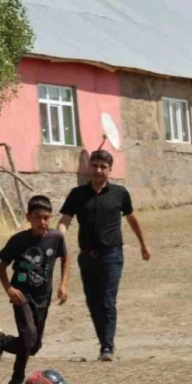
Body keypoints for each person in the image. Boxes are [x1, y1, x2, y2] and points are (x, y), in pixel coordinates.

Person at [57, 150, 151, 362]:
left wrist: (143, 245)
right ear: (89, 167)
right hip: (87, 256)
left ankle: (107, 347)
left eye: (103, 167)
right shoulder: (77, 194)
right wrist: (58, 236)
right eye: (95, 165)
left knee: (107, 300)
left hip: (112, 255)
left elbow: (132, 219)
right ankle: (104, 342)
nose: (98, 170)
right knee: (93, 301)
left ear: (110, 170)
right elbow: (65, 220)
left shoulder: (120, 193)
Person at [0, 195, 69, 384]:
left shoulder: (56, 238)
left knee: (34, 346)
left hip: (44, 297)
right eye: (38, 217)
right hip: (21, 295)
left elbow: (65, 258)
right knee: (28, 338)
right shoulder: (18, 240)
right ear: (28, 217)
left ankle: (2, 342)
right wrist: (9, 288)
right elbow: (1, 267)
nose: (43, 222)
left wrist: (63, 284)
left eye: (46, 218)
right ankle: (16, 381)